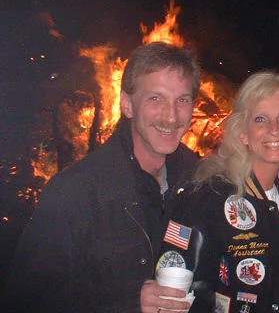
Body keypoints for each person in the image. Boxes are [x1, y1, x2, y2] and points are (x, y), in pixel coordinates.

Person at [3, 41, 200, 313]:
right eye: (156, 98)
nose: (171, 115)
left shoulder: (200, 182)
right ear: (127, 105)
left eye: (182, 100)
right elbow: (27, 300)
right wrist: (128, 303)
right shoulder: (76, 191)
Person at [148, 71, 279, 312]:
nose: (275, 129)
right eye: (260, 119)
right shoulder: (207, 197)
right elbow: (175, 290)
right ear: (242, 132)